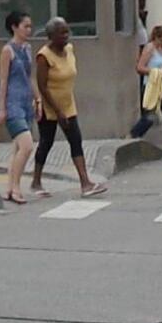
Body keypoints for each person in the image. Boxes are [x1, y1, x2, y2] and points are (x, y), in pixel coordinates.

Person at [30, 17, 104, 198]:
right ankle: (36, 181)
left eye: (67, 31)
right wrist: (57, 111)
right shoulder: (44, 56)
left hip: (68, 104)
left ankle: (85, 183)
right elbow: (42, 86)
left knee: (75, 140)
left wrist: (64, 109)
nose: (66, 36)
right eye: (61, 33)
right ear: (51, 36)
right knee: (46, 142)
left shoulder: (69, 50)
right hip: (50, 107)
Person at [0, 11, 37, 206]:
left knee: (17, 148)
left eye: (30, 26)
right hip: (12, 103)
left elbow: (30, 76)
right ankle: (17, 187)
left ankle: (10, 187)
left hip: (25, 101)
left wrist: (37, 98)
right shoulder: (7, 51)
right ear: (14, 27)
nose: (29, 30)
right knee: (26, 145)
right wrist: (2, 108)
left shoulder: (27, 49)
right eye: (25, 26)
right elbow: (3, 81)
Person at [126, 25, 162, 155]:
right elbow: (140, 67)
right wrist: (154, 72)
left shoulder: (161, 49)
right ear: (156, 37)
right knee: (149, 117)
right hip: (151, 85)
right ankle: (133, 134)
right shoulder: (149, 48)